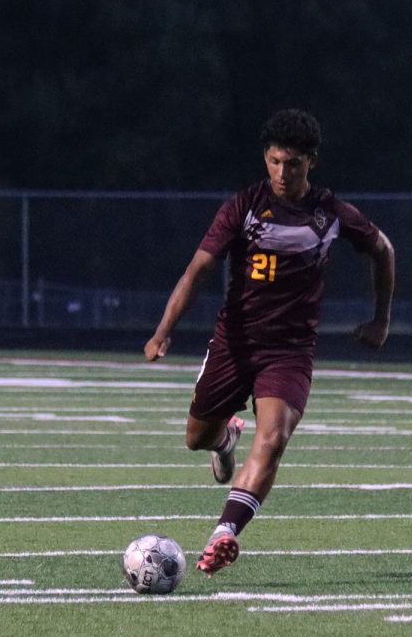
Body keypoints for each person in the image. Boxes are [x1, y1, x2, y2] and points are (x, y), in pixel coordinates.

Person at [143, 109, 395, 577]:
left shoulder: (331, 214)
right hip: (234, 342)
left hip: (289, 351)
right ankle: (223, 441)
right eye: (276, 161)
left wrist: (381, 319)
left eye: (294, 163)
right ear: (265, 157)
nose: (283, 173)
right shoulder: (242, 207)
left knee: (274, 437)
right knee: (195, 438)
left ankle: (224, 533)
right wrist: (163, 330)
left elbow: (383, 249)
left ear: (312, 162)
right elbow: (198, 269)